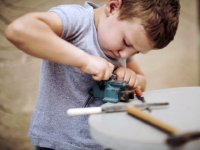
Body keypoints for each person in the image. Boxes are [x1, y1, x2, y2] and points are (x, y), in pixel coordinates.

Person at [5, 0, 180, 149]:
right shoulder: (78, 21)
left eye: (137, 51)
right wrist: (84, 60)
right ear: (112, 7)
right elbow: (19, 30)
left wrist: (133, 79)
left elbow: (141, 81)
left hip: (103, 142)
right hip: (57, 143)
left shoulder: (123, 49)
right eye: (126, 42)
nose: (125, 55)